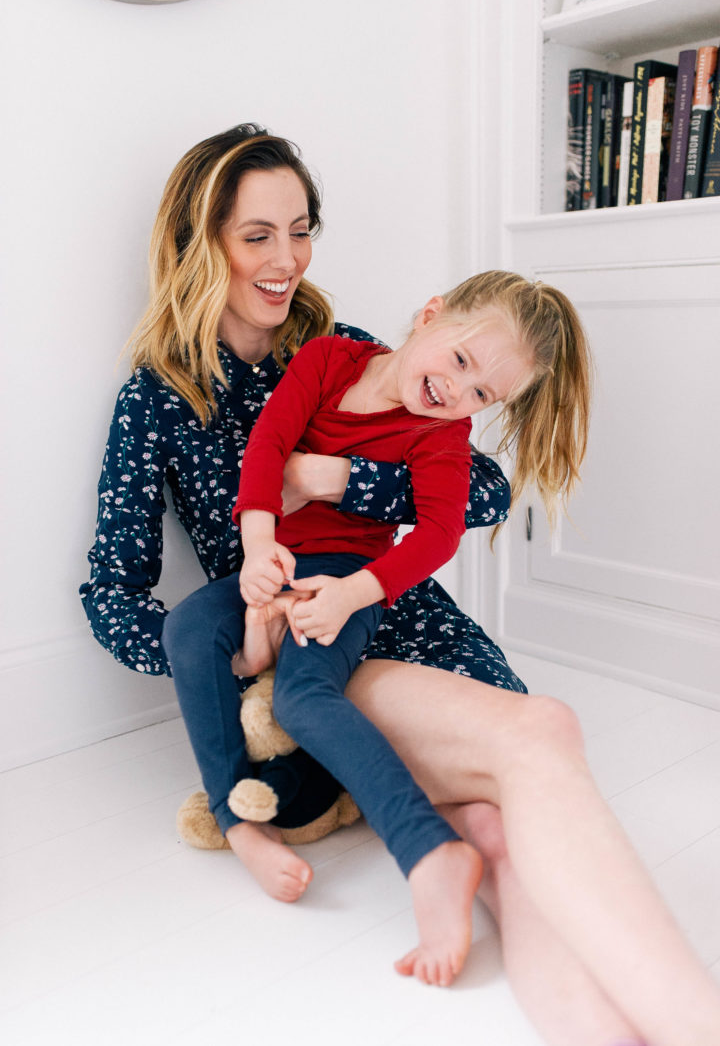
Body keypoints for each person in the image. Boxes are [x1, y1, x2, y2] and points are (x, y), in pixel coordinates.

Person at [80, 124, 720, 1043]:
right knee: (537, 742)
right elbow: (111, 588)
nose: (286, 259)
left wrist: (337, 479)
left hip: (394, 606)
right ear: (201, 240)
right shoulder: (159, 394)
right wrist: (232, 656)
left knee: (501, 820)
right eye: (257, 234)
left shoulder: (338, 344)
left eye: (300, 230)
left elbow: (476, 491)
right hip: (303, 641)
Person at [230, 281, 543, 982]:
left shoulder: (442, 430)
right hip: (283, 580)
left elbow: (441, 529)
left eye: (482, 394)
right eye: (461, 361)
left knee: (501, 746)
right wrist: (258, 543)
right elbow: (268, 443)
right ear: (429, 316)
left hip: (355, 588)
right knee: (278, 698)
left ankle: (501, 893)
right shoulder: (329, 360)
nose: (458, 391)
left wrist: (331, 490)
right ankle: (252, 812)